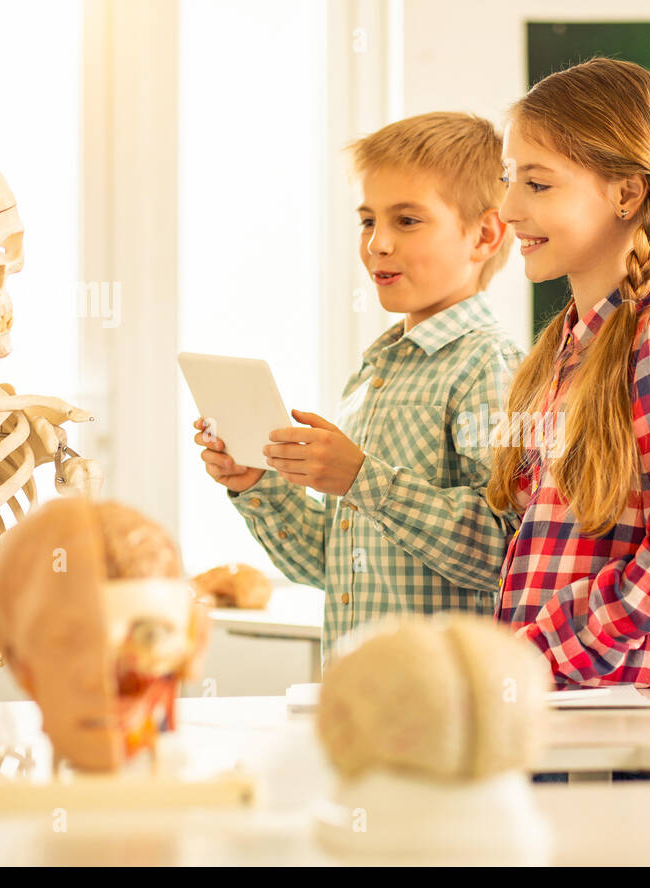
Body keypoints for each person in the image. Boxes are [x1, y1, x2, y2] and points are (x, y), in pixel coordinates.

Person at [195, 112, 522, 661]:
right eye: (368, 221)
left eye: (407, 221)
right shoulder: (373, 374)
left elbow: (507, 550)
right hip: (363, 699)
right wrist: (257, 486)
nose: (378, 244)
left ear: (484, 235)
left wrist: (362, 478)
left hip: (445, 708)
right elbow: (330, 564)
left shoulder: (489, 364)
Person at [490, 58, 650, 688]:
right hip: (560, 709)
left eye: (538, 185)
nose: (507, 207)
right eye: (508, 179)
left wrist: (540, 658)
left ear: (626, 194)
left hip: (628, 720)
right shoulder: (561, 348)